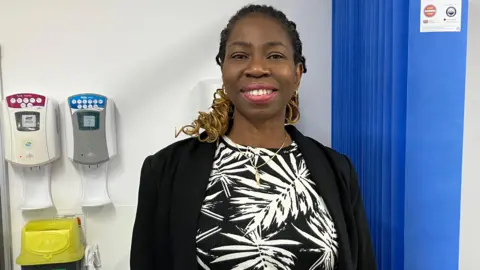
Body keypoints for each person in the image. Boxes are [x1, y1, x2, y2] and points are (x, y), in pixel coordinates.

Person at [130, 4, 376, 270]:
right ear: (223, 70)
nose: (257, 68)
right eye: (239, 55)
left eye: (274, 55)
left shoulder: (337, 171)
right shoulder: (165, 170)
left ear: (297, 73)